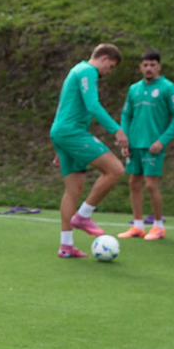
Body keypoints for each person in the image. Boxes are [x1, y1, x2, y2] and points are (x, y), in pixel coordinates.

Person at [49, 43, 128, 258]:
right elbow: (93, 106)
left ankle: (66, 246)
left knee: (73, 189)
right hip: (72, 133)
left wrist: (60, 143)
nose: (109, 72)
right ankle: (84, 216)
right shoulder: (87, 71)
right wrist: (117, 130)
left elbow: (66, 106)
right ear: (104, 58)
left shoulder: (76, 70)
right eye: (110, 66)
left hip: (63, 133)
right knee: (116, 170)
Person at [116, 51, 174, 240]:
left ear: (159, 67)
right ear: (140, 67)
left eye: (152, 65)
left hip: (153, 145)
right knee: (133, 183)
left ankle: (158, 225)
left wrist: (162, 140)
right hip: (134, 144)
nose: (148, 68)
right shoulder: (134, 89)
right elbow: (126, 115)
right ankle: (137, 225)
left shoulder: (168, 88)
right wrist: (125, 139)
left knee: (151, 185)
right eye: (145, 65)